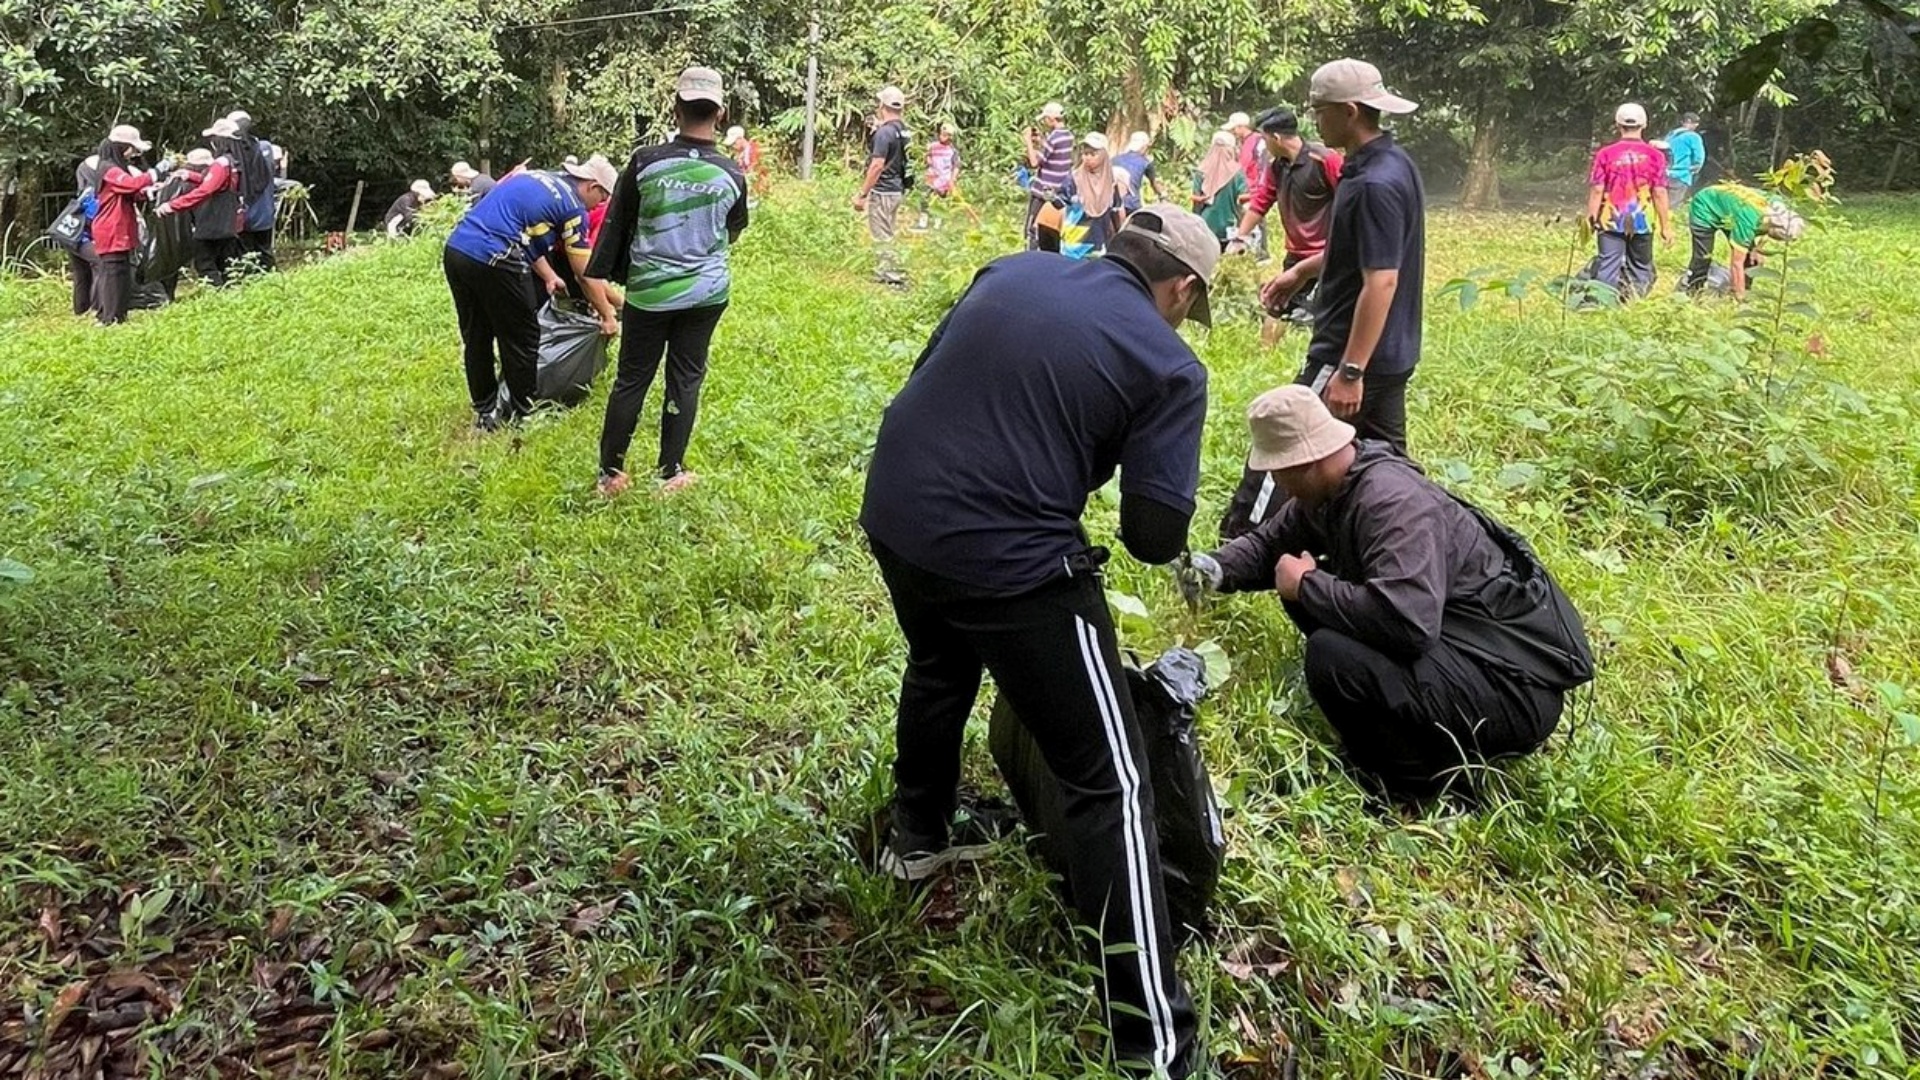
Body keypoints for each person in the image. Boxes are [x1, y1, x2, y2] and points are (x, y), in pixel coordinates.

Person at [860, 205, 1221, 1079]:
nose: (1183, 320)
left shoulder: (1011, 271)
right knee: (1115, 780)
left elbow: (937, 378)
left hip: (899, 512)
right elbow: (1153, 535)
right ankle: (1155, 1047)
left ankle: (918, 835)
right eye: (1189, 306)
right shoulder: (1170, 364)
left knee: (940, 662)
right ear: (1178, 287)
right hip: (1013, 560)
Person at [1182, 385, 1591, 798]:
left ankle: (1418, 787)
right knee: (1319, 597)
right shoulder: (1333, 489)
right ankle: (1404, 742)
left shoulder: (1391, 502)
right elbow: (1272, 544)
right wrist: (1216, 568)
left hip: (1513, 690)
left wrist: (1308, 585)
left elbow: (1408, 623)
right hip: (1465, 655)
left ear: (1306, 461)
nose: (1280, 485)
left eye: (1280, 471)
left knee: (1331, 655)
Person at [1225, 60, 1425, 542]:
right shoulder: (1386, 164)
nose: (1314, 121)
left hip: (1348, 353)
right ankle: (1412, 538)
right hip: (1392, 352)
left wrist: (1350, 369)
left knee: (1285, 444)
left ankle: (1236, 549)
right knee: (1387, 464)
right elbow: (1357, 248)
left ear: (1350, 111)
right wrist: (1298, 271)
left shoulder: (1374, 183)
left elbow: (1381, 281)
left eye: (1320, 110)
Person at [587, 65, 749, 497]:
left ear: (675, 108)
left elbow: (619, 222)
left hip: (649, 294)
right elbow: (733, 229)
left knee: (632, 379)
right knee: (686, 379)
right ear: (719, 113)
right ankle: (672, 471)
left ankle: (611, 474)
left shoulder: (646, 162)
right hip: (707, 294)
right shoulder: (732, 173)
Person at [442, 157, 620, 430]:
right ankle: (521, 413)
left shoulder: (534, 178)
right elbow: (584, 273)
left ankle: (485, 410)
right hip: (496, 256)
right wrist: (609, 316)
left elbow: (522, 232)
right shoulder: (573, 208)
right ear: (592, 186)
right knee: (522, 337)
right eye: (602, 196)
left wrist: (549, 276)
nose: (599, 205)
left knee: (476, 334)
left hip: (457, 249)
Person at [1229, 107, 1345, 324]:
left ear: (1276, 138)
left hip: (1325, 256)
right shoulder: (1277, 167)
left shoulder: (1325, 160)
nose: (1263, 145)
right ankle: (1266, 356)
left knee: (1317, 319)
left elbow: (1350, 201)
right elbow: (1261, 202)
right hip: (1295, 254)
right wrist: (1239, 238)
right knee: (1276, 308)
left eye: (1264, 138)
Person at [1585, 103, 1671, 300]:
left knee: (1608, 263)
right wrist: (1665, 226)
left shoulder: (1605, 154)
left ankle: (1602, 305)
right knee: (1641, 266)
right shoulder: (1655, 155)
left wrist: (1590, 220)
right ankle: (1633, 303)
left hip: (1611, 219)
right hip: (1642, 219)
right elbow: (1659, 193)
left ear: (1618, 125)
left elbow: (1597, 189)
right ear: (1644, 124)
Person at [90, 126, 166, 325]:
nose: (133, 153)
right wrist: (157, 171)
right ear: (121, 146)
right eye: (131, 148)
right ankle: (109, 318)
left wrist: (149, 191)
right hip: (111, 228)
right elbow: (130, 185)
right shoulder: (109, 168)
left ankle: (117, 315)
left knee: (121, 274)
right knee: (113, 274)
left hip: (119, 227)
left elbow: (130, 192)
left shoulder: (115, 167)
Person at [155, 124, 244, 287]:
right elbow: (218, 183)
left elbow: (205, 190)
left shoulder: (221, 163)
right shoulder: (233, 162)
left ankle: (216, 299)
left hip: (213, 225)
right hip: (228, 223)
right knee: (227, 266)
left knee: (205, 265)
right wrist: (190, 176)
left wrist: (172, 205)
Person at [1681, 182, 1804, 299]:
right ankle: (1693, 292)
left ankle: (1743, 289)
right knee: (1703, 257)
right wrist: (1740, 298)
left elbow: (1768, 227)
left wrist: (1757, 248)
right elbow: (1736, 263)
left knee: (1753, 260)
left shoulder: (1777, 205)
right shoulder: (1749, 222)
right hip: (1705, 205)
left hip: (1730, 211)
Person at [853, 86, 911, 286]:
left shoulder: (884, 133)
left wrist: (862, 194)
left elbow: (877, 165)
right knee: (889, 229)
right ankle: (887, 270)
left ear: (882, 106)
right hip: (897, 188)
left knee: (882, 233)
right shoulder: (904, 131)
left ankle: (890, 275)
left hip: (884, 190)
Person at [1054, 132, 1131, 260]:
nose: (1088, 158)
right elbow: (1060, 205)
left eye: (1093, 154)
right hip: (1073, 246)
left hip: (1098, 246)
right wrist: (1052, 197)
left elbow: (1117, 212)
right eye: (1085, 154)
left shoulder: (1111, 184)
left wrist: (1120, 238)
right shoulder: (1073, 180)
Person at [227, 111, 280, 270]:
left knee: (246, 254)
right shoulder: (264, 147)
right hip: (265, 210)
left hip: (245, 213)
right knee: (265, 251)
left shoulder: (233, 153)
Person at [1023, 102, 1074, 249]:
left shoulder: (1053, 138)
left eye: (1045, 119)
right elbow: (1053, 155)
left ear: (1052, 119)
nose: (1044, 122)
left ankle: (1029, 257)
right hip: (1058, 191)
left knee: (1031, 229)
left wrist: (1028, 142)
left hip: (1043, 191)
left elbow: (1034, 162)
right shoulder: (1068, 136)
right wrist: (1040, 142)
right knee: (1052, 226)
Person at [1191, 131, 1246, 246]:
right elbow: (1243, 198)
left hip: (1205, 225)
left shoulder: (1201, 171)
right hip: (1230, 226)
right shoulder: (1237, 172)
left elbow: (1195, 199)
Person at [1226, 111, 1269, 258]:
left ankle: (1262, 253)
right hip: (1245, 188)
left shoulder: (1258, 141)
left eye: (1234, 129)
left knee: (1257, 219)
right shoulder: (1242, 143)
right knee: (1245, 220)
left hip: (1255, 189)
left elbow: (1263, 166)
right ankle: (1248, 252)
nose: (1233, 132)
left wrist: (1259, 188)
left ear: (1241, 127)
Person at [68, 154, 102, 317]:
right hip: (84, 238)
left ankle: (80, 310)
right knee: (101, 264)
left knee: (81, 273)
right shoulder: (93, 194)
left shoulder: (83, 191)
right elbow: (93, 218)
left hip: (71, 236)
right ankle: (96, 308)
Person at [915, 123, 959, 231]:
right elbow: (927, 158)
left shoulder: (952, 151)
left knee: (940, 202)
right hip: (931, 177)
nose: (943, 137)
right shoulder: (933, 146)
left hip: (944, 179)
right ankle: (922, 222)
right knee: (924, 198)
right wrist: (927, 159)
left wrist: (952, 181)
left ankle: (937, 223)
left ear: (950, 137)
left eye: (946, 135)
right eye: (942, 134)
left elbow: (956, 166)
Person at [1114, 130, 1169, 208]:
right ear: (1144, 146)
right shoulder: (1145, 162)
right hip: (1132, 204)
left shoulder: (1115, 159)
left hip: (1112, 203)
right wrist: (1163, 195)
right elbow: (1154, 183)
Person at [1663, 112, 1705, 205]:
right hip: (1681, 175)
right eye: (1696, 123)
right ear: (1689, 122)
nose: (1697, 125)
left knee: (1661, 204)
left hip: (1664, 174)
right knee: (1674, 206)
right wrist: (1694, 169)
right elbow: (1699, 157)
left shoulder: (1671, 135)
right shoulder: (1693, 136)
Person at [723, 125, 767, 196]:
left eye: (734, 143)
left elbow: (757, 172)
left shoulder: (754, 150)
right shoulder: (738, 154)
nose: (733, 146)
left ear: (740, 139)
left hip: (756, 188)